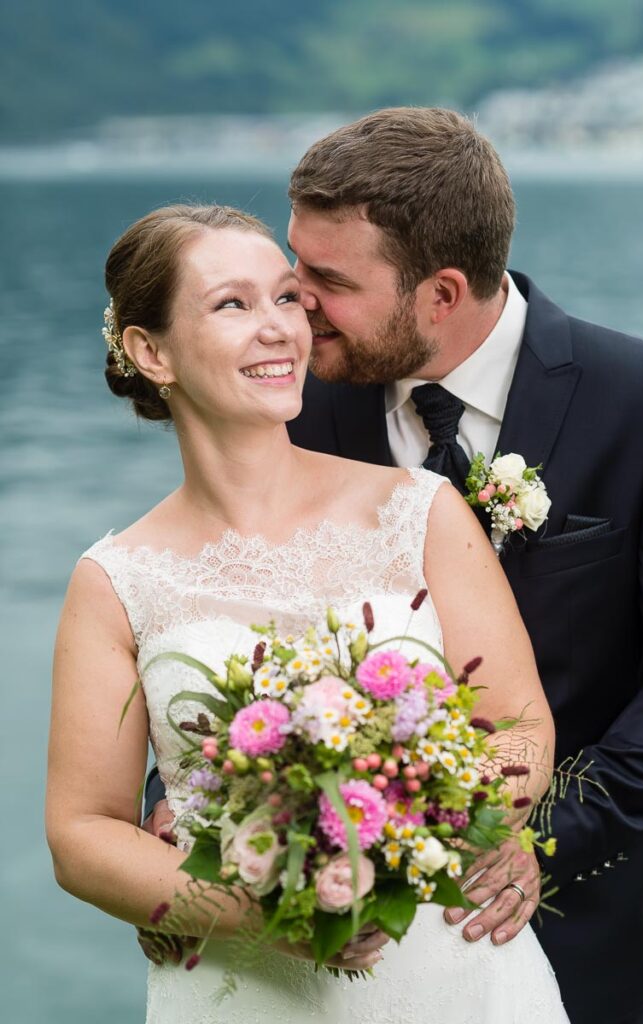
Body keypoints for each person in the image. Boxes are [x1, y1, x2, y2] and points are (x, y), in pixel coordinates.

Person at [146, 107, 643, 1023]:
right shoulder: (291, 403)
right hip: (314, 943)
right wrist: (183, 814)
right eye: (289, 268)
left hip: (568, 928)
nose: (293, 309)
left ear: (438, 293)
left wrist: (536, 844)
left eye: (324, 280)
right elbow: (224, 610)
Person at [46, 204, 570, 1023]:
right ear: (151, 352)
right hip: (240, 988)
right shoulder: (115, 579)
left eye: (287, 298)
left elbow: (520, 726)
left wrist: (406, 839)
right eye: (233, 305)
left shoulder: (420, 510)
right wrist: (270, 917)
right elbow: (83, 835)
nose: (279, 329)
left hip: (458, 970)